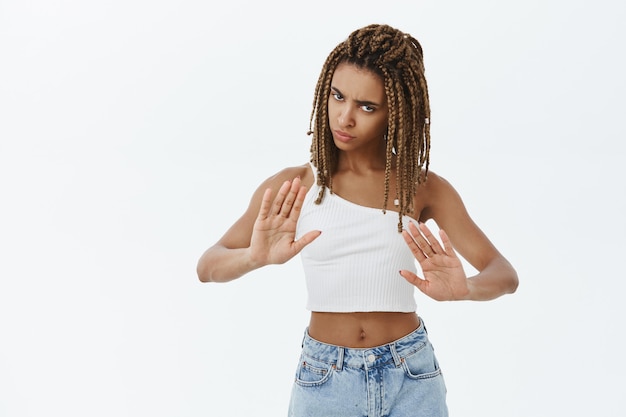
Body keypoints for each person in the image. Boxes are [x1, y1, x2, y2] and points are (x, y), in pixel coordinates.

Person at [197, 23, 518, 417]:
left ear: (396, 113)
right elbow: (207, 266)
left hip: (411, 375)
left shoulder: (423, 188)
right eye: (337, 96)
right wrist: (254, 257)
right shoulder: (296, 185)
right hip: (325, 378)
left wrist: (465, 288)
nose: (345, 117)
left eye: (367, 107)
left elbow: (504, 274)